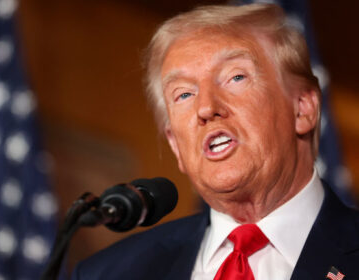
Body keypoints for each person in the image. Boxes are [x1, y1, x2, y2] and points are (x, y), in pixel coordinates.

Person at [71, 3, 359, 280]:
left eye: (235, 77)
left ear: (302, 108)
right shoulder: (110, 274)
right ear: (175, 145)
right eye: (184, 94)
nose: (206, 108)